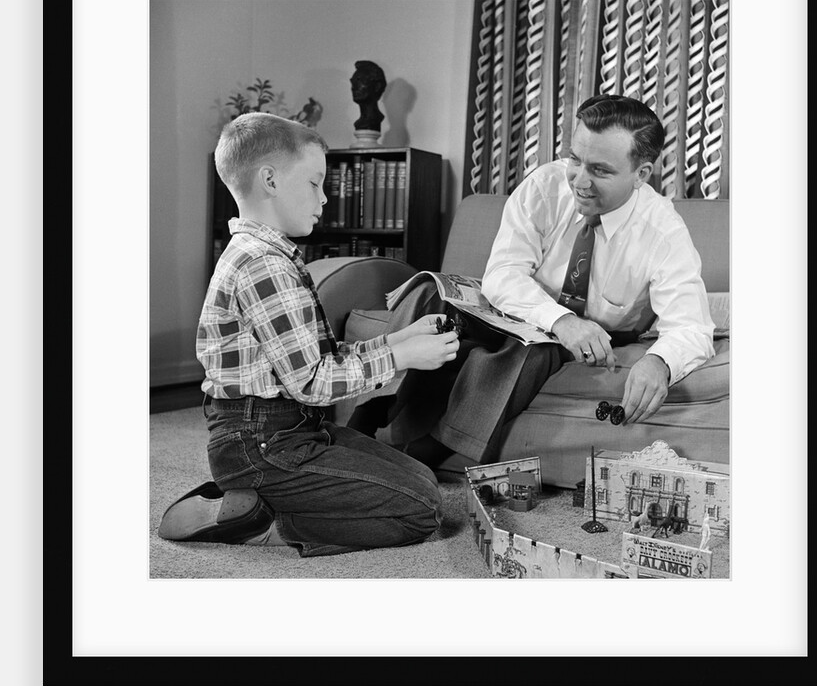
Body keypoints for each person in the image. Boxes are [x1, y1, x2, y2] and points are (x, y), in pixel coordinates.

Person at [351, 94, 715, 468]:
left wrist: (660, 362)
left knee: (533, 350)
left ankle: (427, 453)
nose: (580, 181)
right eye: (575, 159)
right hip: (524, 308)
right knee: (428, 290)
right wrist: (561, 319)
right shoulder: (545, 186)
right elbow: (504, 273)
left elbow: (692, 326)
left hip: (574, 337)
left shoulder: (663, 231)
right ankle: (364, 418)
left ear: (641, 174)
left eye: (600, 170)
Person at [192, 112, 459, 557]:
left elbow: (323, 358)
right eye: (315, 183)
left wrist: (399, 339)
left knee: (422, 479)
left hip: (291, 429)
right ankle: (262, 522)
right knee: (422, 509)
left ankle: (251, 500)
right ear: (270, 181)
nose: (325, 197)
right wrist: (401, 358)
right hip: (262, 444)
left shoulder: (270, 256)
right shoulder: (263, 265)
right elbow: (314, 383)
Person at [350, 60, 387, 131]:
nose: (354, 87)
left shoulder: (375, 120)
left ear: (377, 86)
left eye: (360, 81)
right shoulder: (359, 123)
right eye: (353, 82)